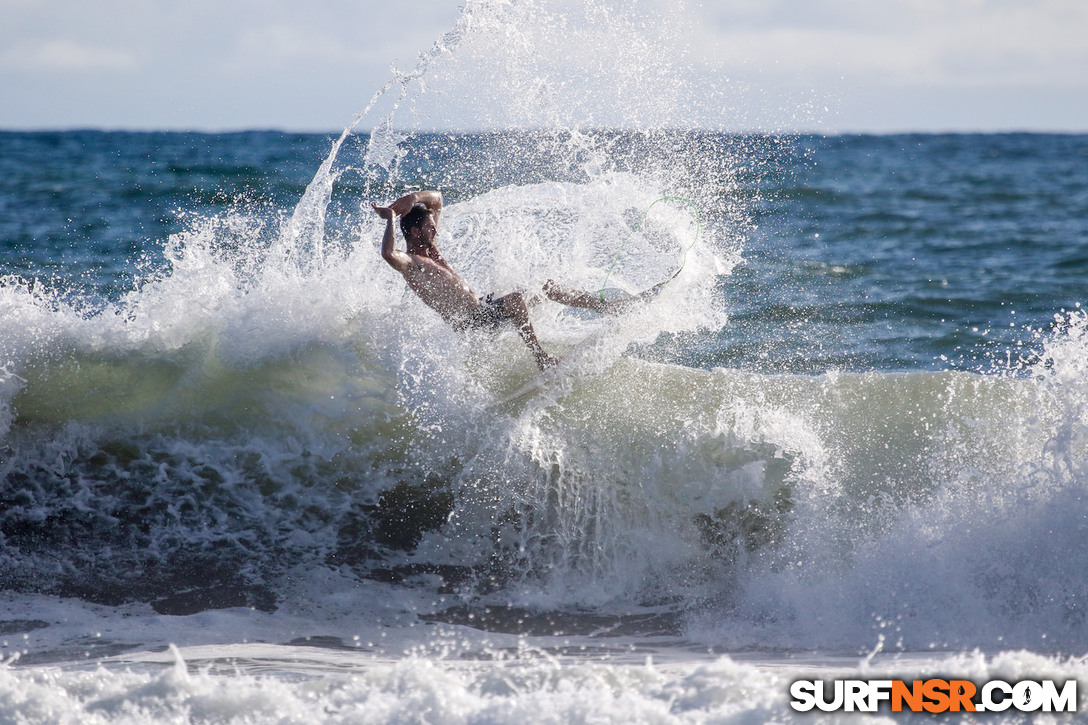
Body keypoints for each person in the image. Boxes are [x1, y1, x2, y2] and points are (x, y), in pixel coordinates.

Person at [372, 190, 561, 370]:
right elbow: (388, 253)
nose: (435, 231)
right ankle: (542, 360)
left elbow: (437, 200)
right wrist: (390, 219)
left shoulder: (431, 252)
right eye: (430, 227)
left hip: (481, 309)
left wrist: (413, 198)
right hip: (470, 324)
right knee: (516, 299)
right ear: (415, 231)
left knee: (544, 286)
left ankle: (591, 303)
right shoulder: (411, 263)